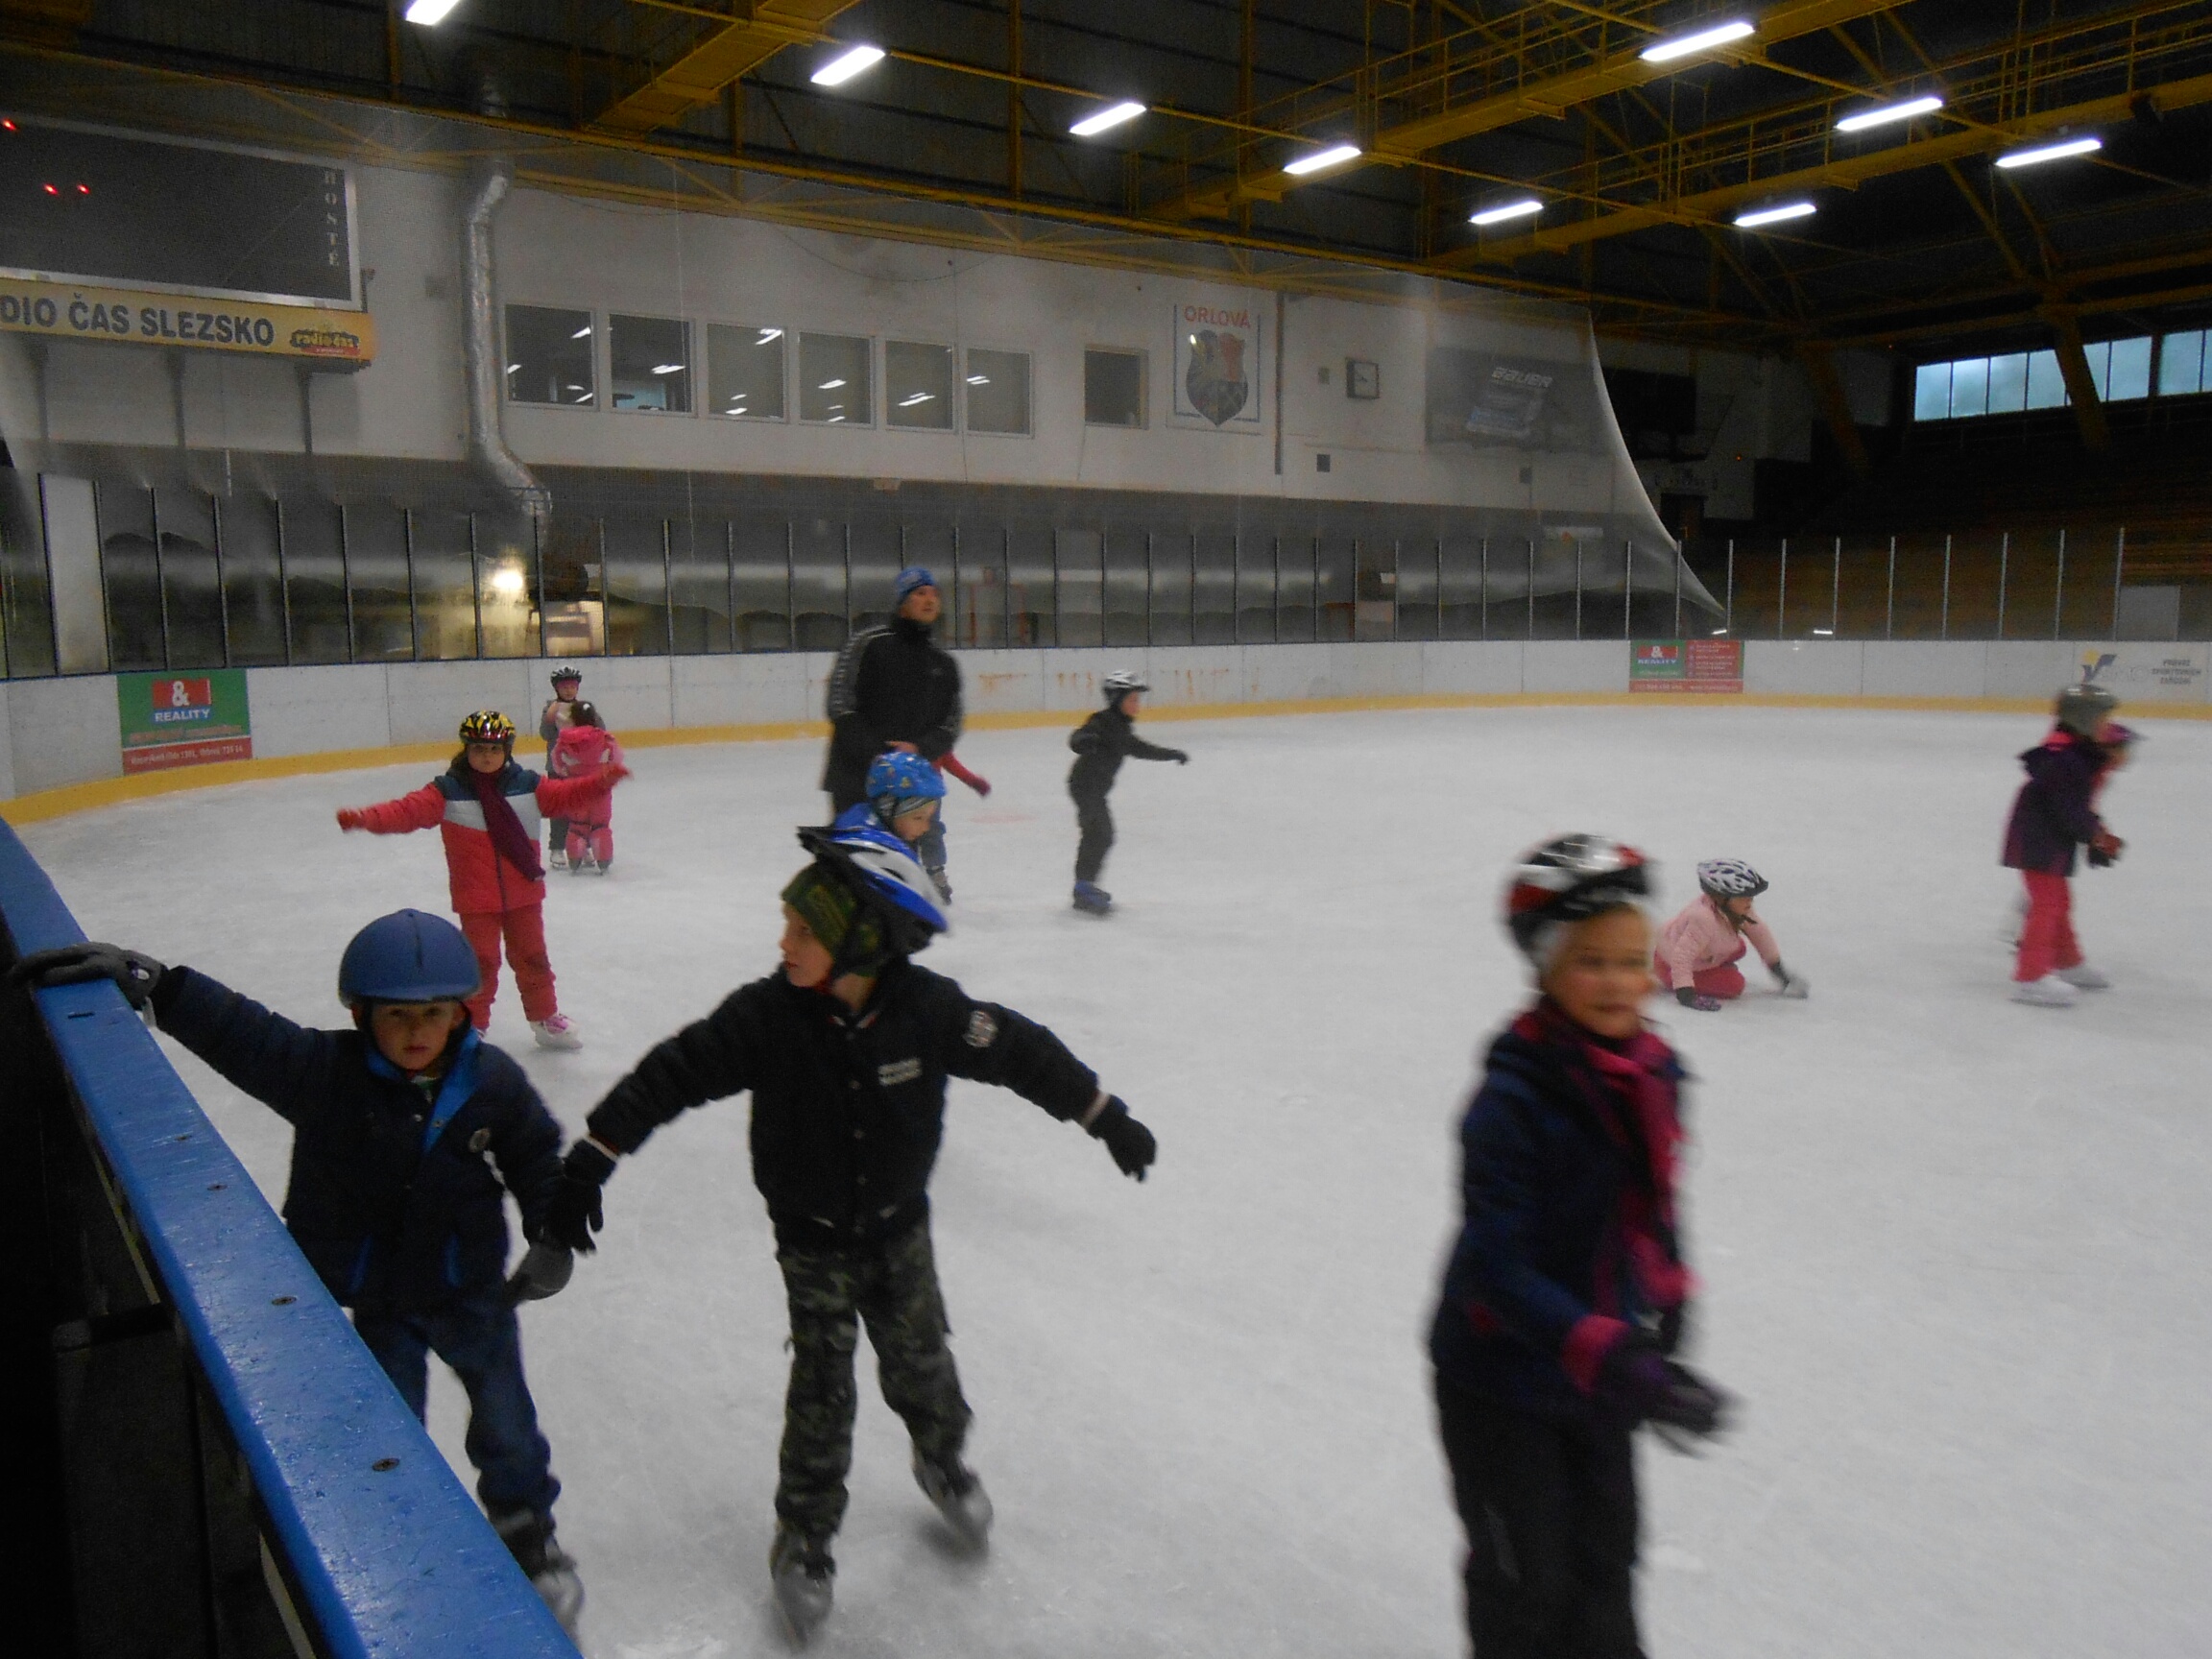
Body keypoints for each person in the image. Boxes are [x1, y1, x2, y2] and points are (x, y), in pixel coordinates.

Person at [534, 821, 1159, 1645]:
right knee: (822, 1393)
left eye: (804, 930)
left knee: (922, 1360)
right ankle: (804, 1538)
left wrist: (1102, 1114)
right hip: (813, 1241)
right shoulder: (767, 1017)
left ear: (863, 939)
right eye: (787, 924)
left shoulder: (928, 1011)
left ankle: (942, 1458)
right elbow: (671, 1075)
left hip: (901, 1232)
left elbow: (1020, 1053)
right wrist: (593, 1157)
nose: (784, 942)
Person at [11, 912, 587, 1636]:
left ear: (460, 1013)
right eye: (397, 1015)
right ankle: (399, 1548)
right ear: (361, 1014)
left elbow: (536, 1156)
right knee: (386, 1432)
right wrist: (160, 985)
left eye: (434, 1014)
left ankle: (526, 1533)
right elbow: (246, 1036)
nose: (417, 1031)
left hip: (469, 1291)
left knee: (506, 1420)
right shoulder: (326, 1075)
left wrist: (552, 1233)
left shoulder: (490, 1081)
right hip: (377, 1299)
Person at [1431, 834, 1733, 1658]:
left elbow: (1652, 1202)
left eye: (1633, 962)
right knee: (1528, 1584)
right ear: (1546, 970)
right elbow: (1497, 1269)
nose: (1618, 982)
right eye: (1590, 962)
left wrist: (1669, 1294)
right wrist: (1614, 1353)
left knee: (1605, 1570)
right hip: (1500, 1380)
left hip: (1597, 1376)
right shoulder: (1511, 1101)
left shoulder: (1652, 1074)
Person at [335, 710, 627, 1049]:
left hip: (524, 892)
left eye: (494, 750)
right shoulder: (448, 791)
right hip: (476, 897)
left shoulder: (527, 785)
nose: (486, 757)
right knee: (481, 963)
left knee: (533, 957)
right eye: (478, 749)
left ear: (506, 751)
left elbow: (567, 795)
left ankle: (545, 1017)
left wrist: (600, 781)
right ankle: (472, 1025)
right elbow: (405, 811)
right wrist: (365, 818)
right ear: (466, 750)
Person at [2004, 684, 2128, 1006]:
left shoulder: (2076, 754)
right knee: (2047, 905)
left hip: (2050, 839)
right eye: (2102, 719)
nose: (2107, 727)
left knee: (2058, 902)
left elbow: (2077, 807)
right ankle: (2030, 978)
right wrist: (2095, 836)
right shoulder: (2064, 760)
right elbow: (2068, 808)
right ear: (2083, 719)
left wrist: (2096, 833)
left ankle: (2067, 962)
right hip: (2038, 840)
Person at [821, 566, 964, 818]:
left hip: (912, 787)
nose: (930, 600)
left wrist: (917, 748)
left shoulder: (943, 662)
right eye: (920, 593)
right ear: (903, 603)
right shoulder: (867, 643)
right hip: (857, 782)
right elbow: (840, 702)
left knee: (911, 845)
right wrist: (878, 753)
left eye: (934, 594)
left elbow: (951, 722)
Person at [1067, 670, 1187, 915]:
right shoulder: (1102, 721)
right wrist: (1084, 741)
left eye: (1137, 699)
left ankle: (1085, 886)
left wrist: (1171, 754)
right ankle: (1083, 889)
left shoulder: (1121, 728)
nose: (1137, 704)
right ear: (1116, 699)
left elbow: (1140, 748)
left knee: (1101, 835)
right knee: (1099, 834)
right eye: (1132, 699)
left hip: (1094, 789)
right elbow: (1077, 737)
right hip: (1085, 786)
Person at [1654, 860, 1810, 1011]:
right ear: (1723, 898)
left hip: (1700, 951)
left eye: (1751, 897)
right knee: (1734, 985)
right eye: (1744, 897)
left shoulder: (1737, 911)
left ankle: (1711, 967)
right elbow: (1681, 958)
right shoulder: (1703, 918)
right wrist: (1686, 993)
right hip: (1670, 965)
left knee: (1739, 948)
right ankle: (1675, 977)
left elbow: (1760, 934)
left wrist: (1777, 969)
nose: (1750, 902)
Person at [838, 750, 949, 899]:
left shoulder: (861, 818)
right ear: (888, 808)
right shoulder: (878, 852)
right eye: (918, 818)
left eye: (929, 818)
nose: (926, 828)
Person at [548, 701, 624, 875]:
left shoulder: (564, 741)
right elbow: (616, 758)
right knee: (600, 825)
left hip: (576, 789)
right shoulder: (605, 739)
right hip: (599, 789)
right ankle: (603, 859)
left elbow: (557, 762)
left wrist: (566, 773)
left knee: (577, 825)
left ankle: (575, 858)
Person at [540, 667, 584, 870]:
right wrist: (550, 717)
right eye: (564, 687)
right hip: (558, 768)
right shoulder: (551, 709)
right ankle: (557, 847)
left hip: (581, 767)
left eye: (572, 686)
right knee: (559, 809)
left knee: (582, 809)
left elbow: (598, 730)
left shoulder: (583, 708)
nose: (569, 690)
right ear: (557, 688)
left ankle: (583, 844)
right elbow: (545, 734)